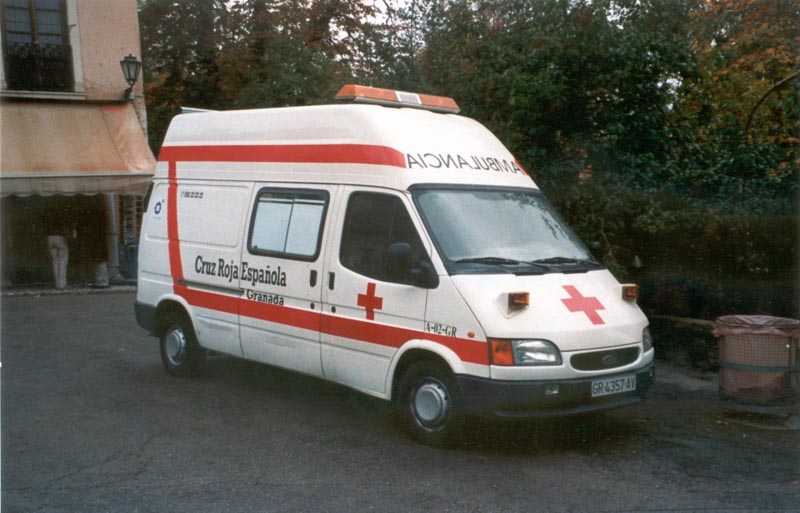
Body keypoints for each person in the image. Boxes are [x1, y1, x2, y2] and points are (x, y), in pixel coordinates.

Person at [47, 221, 72, 289]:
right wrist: (68, 236)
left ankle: (57, 284)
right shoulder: (62, 218)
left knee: (55, 261)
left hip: (50, 238)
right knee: (63, 261)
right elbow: (65, 228)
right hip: (60, 237)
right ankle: (62, 284)